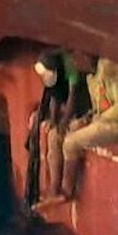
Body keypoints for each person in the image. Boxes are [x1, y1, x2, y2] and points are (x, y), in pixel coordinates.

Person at [53, 54, 118, 203]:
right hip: (105, 119)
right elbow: (100, 106)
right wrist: (91, 116)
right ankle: (54, 188)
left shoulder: (109, 70)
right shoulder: (90, 77)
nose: (73, 66)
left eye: (75, 59)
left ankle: (66, 193)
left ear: (85, 56)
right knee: (63, 132)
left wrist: (101, 118)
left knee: (70, 143)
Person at [24, 49, 80, 206]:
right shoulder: (51, 76)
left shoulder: (70, 68)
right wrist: (54, 120)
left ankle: (66, 190)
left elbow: (73, 96)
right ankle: (54, 189)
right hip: (67, 114)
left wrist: (64, 121)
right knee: (52, 136)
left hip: (82, 111)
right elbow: (54, 96)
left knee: (68, 137)